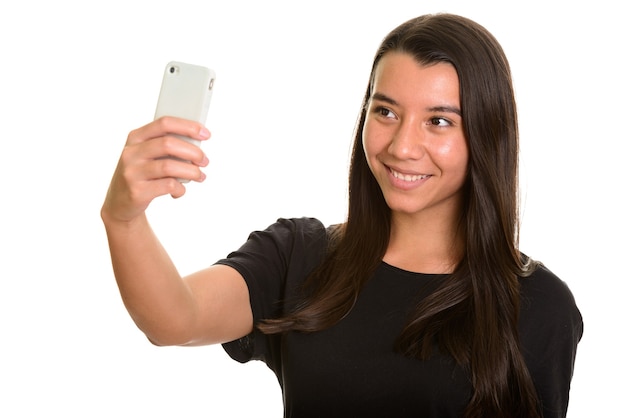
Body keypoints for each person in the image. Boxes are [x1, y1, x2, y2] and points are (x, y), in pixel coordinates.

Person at [101, 13, 583, 418]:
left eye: (439, 121)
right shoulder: (299, 256)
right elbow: (173, 319)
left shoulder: (539, 308)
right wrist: (124, 219)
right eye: (386, 112)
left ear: (487, 134)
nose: (402, 146)